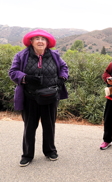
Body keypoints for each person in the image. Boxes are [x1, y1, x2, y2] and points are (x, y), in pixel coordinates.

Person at [9, 29, 69, 167]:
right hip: (30, 97)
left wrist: (62, 78)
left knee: (49, 125)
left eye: (43, 39)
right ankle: (27, 155)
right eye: (37, 38)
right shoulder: (22, 55)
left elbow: (64, 67)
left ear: (47, 42)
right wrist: (25, 78)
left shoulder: (54, 55)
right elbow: (13, 72)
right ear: (31, 42)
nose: (40, 41)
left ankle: (50, 151)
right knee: (30, 126)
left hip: (50, 96)